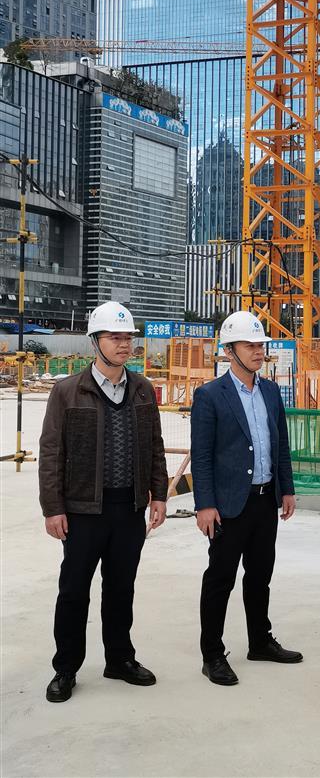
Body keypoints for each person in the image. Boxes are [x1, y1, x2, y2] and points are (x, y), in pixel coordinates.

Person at [38, 301, 167, 703]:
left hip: (129, 509)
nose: (124, 344)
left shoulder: (142, 388)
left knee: (121, 588)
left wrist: (159, 494)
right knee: (74, 591)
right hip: (82, 511)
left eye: (128, 337)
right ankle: (65, 668)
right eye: (115, 337)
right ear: (95, 341)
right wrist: (53, 508)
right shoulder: (67, 391)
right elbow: (51, 452)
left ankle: (120, 659)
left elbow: (155, 445)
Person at [191, 310, 300, 686]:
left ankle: (260, 642)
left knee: (260, 575)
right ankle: (212, 654)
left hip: (264, 500)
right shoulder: (210, 396)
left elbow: (280, 444)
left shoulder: (270, 391)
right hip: (228, 505)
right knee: (220, 579)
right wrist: (205, 505)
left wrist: (287, 488)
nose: (258, 351)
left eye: (260, 345)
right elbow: (202, 455)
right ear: (229, 350)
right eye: (250, 345)